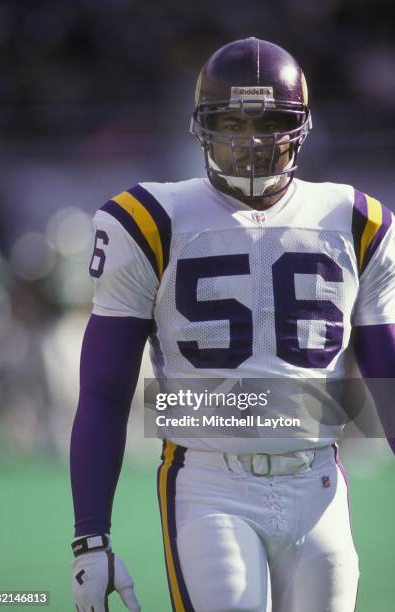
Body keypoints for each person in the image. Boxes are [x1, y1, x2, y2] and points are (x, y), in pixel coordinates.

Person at [70, 37, 395, 612]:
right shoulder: (149, 219)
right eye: (232, 122)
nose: (250, 141)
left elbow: (389, 376)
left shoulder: (359, 220)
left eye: (269, 122)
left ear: (300, 127)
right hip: (207, 480)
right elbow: (103, 391)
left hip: (318, 479)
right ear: (202, 126)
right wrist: (90, 538)